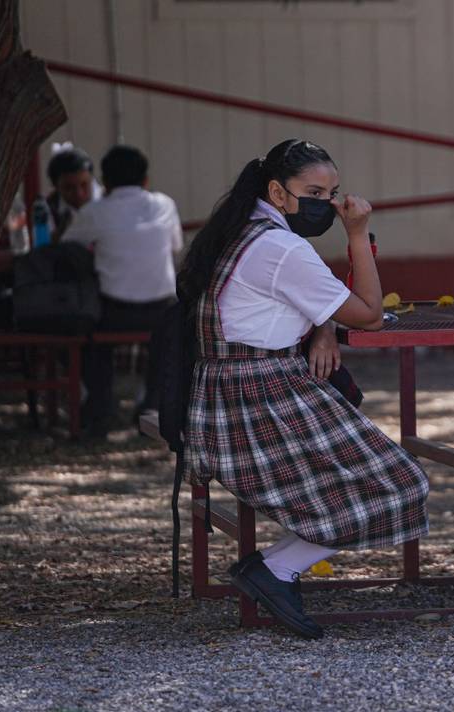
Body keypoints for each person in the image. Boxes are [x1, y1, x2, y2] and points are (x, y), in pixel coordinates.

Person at [177, 139, 429, 640]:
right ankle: (275, 569)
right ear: (278, 191)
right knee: (402, 485)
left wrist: (324, 327)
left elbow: (291, 300)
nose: (328, 205)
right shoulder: (282, 247)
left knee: (363, 476)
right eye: (314, 192)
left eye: (334, 193)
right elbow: (372, 315)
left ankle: (273, 568)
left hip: (225, 394)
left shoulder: (239, 231)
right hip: (260, 396)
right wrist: (357, 233)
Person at [63, 145, 183, 436]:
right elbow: (176, 247)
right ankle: (151, 406)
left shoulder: (95, 212)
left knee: (87, 336)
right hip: (162, 308)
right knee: (166, 344)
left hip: (113, 311)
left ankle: (100, 406)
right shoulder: (165, 205)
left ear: (105, 182)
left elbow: (66, 247)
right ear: (145, 180)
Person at [45, 144, 102, 240]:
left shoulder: (106, 200)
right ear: (56, 187)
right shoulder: (48, 208)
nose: (79, 194)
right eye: (69, 188)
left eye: (84, 185)